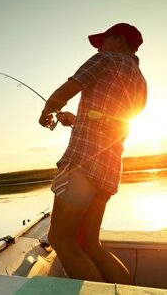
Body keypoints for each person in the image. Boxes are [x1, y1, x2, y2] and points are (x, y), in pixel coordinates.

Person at [39, 23, 147, 284]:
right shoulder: (140, 81)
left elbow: (66, 91)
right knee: (91, 243)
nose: (99, 46)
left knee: (60, 239)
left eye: (104, 40)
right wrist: (75, 120)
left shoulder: (106, 59)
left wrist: (46, 112)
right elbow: (112, 121)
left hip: (82, 165)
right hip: (109, 170)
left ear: (119, 40)